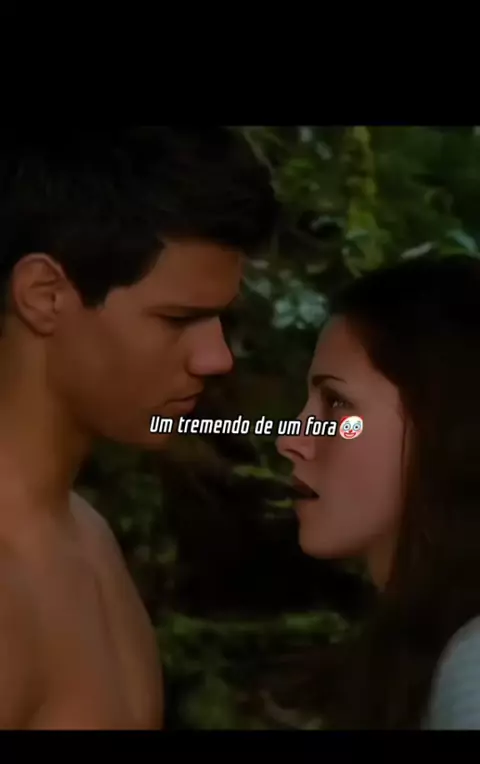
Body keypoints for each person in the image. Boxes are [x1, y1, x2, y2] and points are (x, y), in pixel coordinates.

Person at [0, 127, 278, 729]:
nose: (216, 358)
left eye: (219, 320)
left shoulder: (88, 537)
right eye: (178, 319)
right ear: (45, 296)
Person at [277, 255, 480, 729]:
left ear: (444, 424)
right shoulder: (419, 645)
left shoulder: (472, 665)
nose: (293, 438)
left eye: (336, 402)